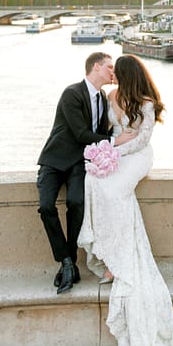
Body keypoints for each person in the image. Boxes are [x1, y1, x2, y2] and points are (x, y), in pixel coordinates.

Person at [78, 53, 173, 346]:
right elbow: (108, 131)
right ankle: (109, 253)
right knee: (94, 182)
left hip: (137, 157)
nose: (113, 75)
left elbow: (141, 141)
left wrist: (114, 148)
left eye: (117, 71)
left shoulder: (146, 103)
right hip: (116, 153)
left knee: (116, 191)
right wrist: (109, 146)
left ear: (128, 74)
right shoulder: (111, 97)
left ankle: (120, 259)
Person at [37, 51, 136, 294]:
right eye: (109, 67)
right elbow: (81, 133)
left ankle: (68, 263)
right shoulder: (72, 93)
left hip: (78, 163)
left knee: (76, 203)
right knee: (46, 206)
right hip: (54, 160)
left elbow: (102, 130)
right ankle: (67, 261)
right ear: (96, 67)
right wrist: (115, 141)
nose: (113, 72)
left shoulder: (103, 98)